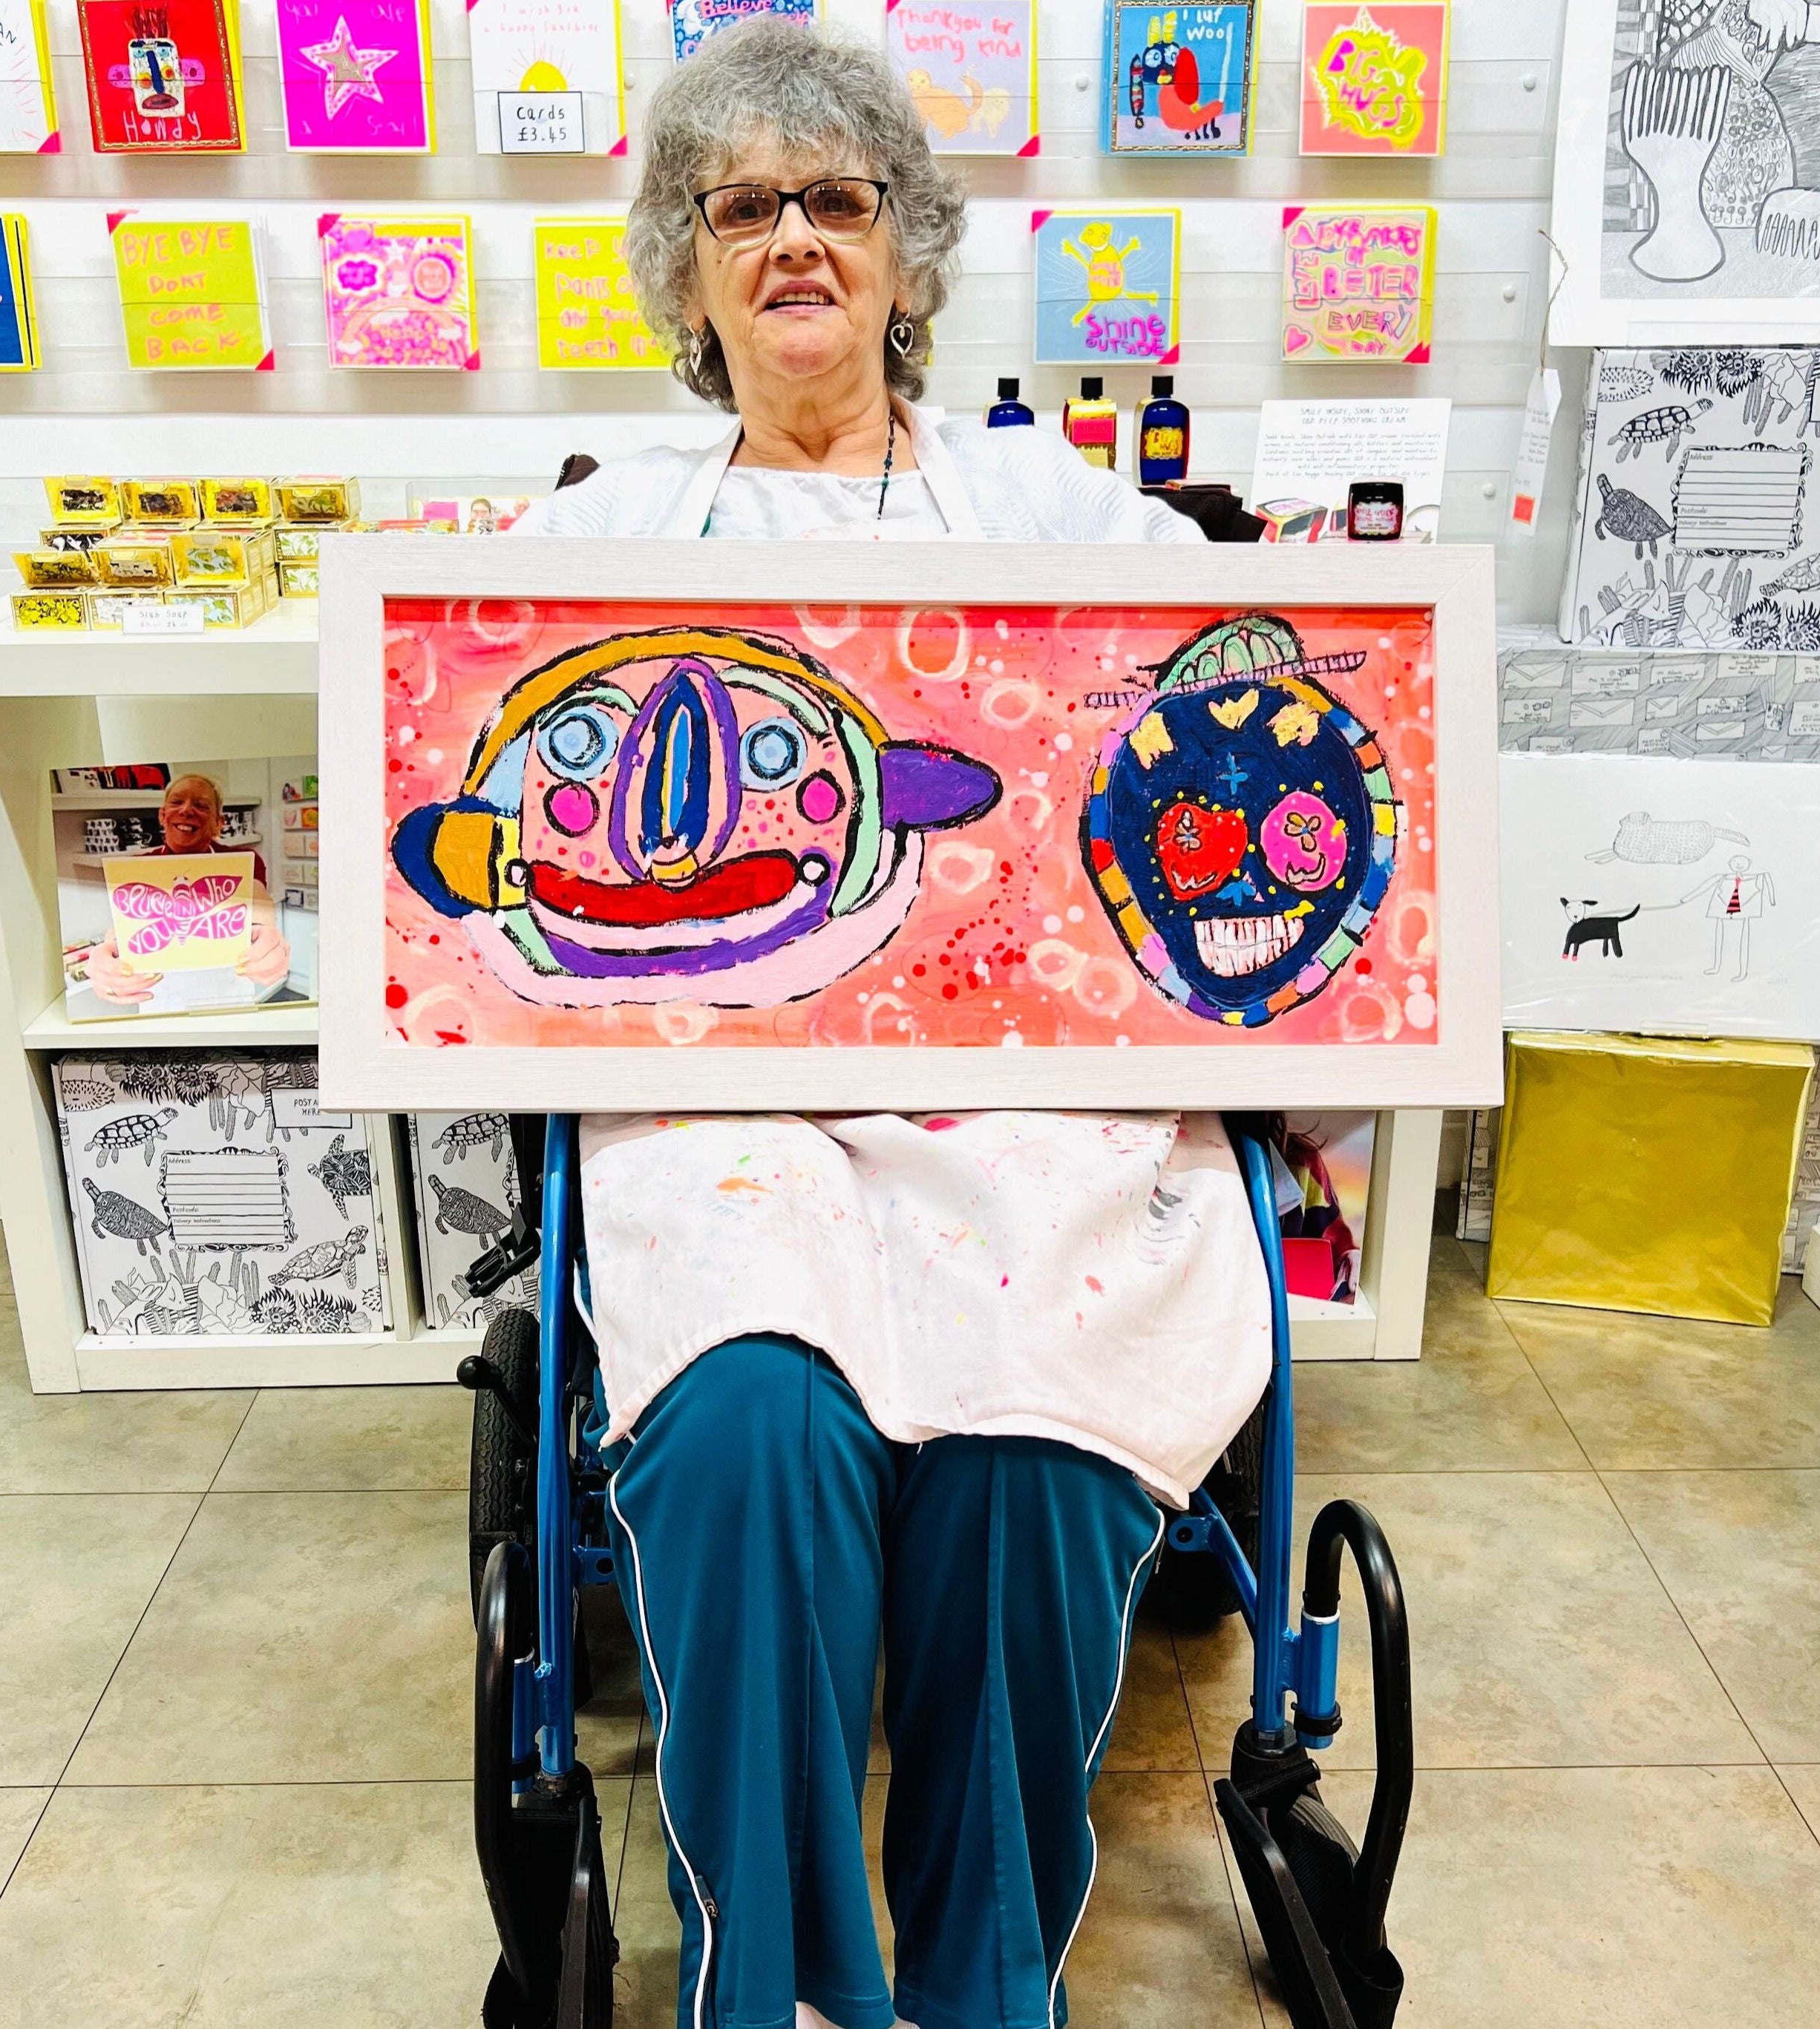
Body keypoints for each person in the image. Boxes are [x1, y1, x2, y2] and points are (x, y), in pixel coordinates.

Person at [514, 24, 1269, 2029]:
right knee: (754, 1421)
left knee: (1029, 1433)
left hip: (1029, 1100)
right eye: (736, 205)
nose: (787, 240)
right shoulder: (587, 536)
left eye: (831, 201)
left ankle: (972, 1972)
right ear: (681, 263)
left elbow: (1235, 683)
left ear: (904, 251)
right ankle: (766, 1984)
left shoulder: (1066, 511)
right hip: (725, 1105)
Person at [82, 772, 292, 1005]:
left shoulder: (242, 861)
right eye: (176, 802)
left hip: (227, 991)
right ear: (162, 816)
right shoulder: (137, 867)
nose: (186, 810)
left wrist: (272, 943)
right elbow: (120, 930)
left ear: (218, 823)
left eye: (201, 806)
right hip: (160, 996)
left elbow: (262, 913)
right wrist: (105, 956)